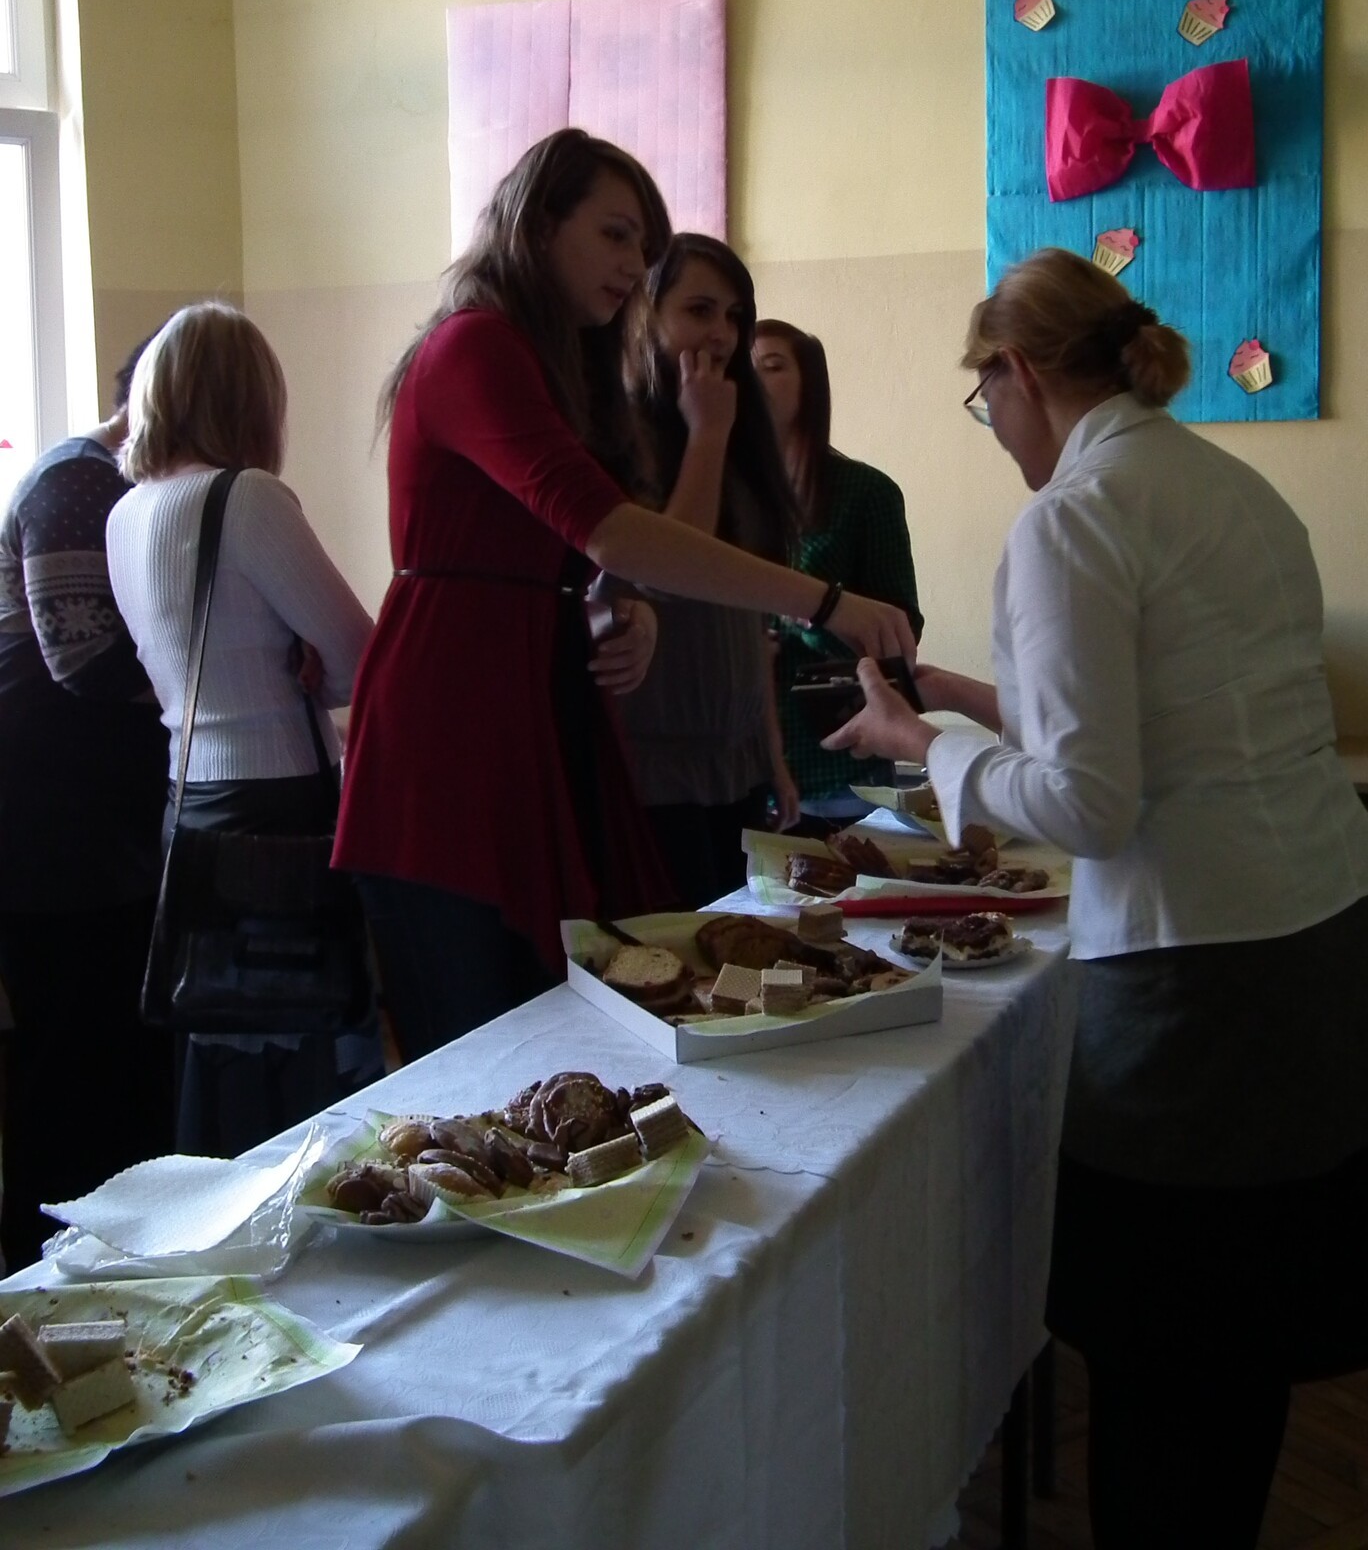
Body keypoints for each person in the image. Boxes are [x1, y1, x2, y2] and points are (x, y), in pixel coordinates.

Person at [823, 247, 1368, 1550]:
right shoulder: (1231, 488)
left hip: (1199, 991)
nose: (995, 428)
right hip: (1321, 946)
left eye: (985, 401)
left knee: (1163, 1369)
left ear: (1017, 373)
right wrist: (956, 702)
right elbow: (1144, 721)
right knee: (1240, 1355)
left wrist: (919, 746)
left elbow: (1089, 805)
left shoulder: (1070, 518)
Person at [333, 129, 918, 1062]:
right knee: (481, 1038)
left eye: (642, 245)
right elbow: (608, 528)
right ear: (538, 223)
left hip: (536, 704)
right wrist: (823, 601)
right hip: (454, 721)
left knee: (568, 1014)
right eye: (613, 234)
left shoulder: (552, 365)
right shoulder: (473, 345)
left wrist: (618, 605)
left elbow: (587, 554)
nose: (632, 264)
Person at [107, 304, 377, 1158]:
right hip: (282, 806)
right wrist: (310, 663)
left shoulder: (126, 513)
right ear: (252, 398)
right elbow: (361, 659)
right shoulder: (247, 499)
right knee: (299, 1059)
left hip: (190, 806)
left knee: (223, 1048)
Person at [0, 341, 173, 1268]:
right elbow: (85, 661)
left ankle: (119, 1260)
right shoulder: (74, 484)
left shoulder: (126, 493)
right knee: (70, 1061)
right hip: (50, 827)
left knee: (117, 1051)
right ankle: (41, 1276)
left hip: (99, 822)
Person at [616, 234, 800, 909]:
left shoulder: (737, 437)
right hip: (656, 772)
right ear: (647, 314)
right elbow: (674, 566)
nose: (722, 334)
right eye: (699, 311)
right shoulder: (623, 435)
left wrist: (773, 755)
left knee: (742, 946)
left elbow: (751, 617)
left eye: (734, 316)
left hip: (738, 762)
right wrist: (707, 433)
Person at [752, 318, 923, 825]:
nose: (752, 380)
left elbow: (900, 633)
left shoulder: (866, 493)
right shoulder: (728, 497)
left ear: (809, 385)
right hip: (744, 765)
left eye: (772, 366)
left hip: (840, 768)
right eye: (742, 368)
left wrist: (804, 614)